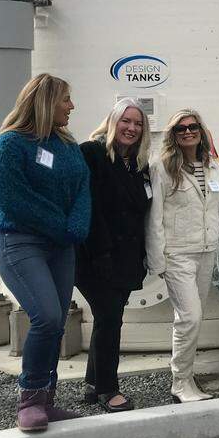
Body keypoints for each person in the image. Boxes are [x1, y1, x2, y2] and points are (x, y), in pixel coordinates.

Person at [0, 73, 91, 432]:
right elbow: (13, 199)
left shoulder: (65, 144)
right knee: (46, 317)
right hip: (21, 243)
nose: (72, 106)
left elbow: (82, 186)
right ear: (47, 101)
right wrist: (60, 226)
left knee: (57, 323)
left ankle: (47, 401)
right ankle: (29, 399)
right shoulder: (11, 144)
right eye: (66, 99)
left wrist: (76, 226)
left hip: (61, 246)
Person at [75, 98, 152, 412]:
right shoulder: (92, 153)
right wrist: (101, 254)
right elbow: (88, 207)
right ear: (112, 121)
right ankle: (109, 389)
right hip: (96, 257)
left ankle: (94, 383)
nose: (131, 128)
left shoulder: (136, 165)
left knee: (107, 318)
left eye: (137, 124)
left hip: (124, 260)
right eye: (126, 121)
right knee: (109, 319)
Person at [146, 109, 219, 402]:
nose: (188, 132)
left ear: (201, 132)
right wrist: (158, 260)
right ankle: (180, 382)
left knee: (196, 316)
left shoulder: (213, 166)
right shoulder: (162, 167)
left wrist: (216, 239)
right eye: (181, 129)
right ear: (173, 135)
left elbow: (215, 208)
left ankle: (188, 377)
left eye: (193, 127)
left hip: (206, 250)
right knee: (189, 317)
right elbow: (153, 217)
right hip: (178, 253)